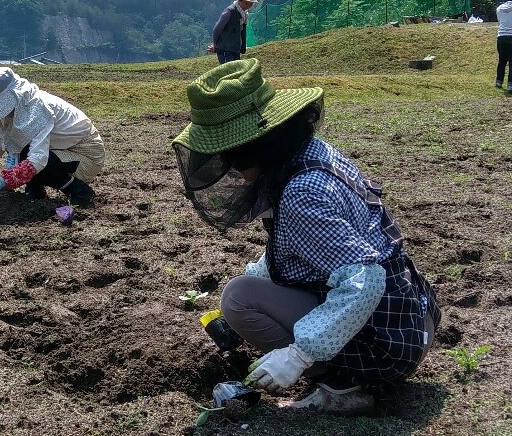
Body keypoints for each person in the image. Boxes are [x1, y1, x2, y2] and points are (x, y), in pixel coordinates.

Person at [172, 59, 440, 415]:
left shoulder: (303, 193)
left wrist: (299, 355)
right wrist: (260, 276)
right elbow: (303, 249)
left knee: (239, 299)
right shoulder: (311, 155)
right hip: (412, 318)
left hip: (386, 344)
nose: (228, 167)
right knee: (246, 289)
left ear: (253, 147)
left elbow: (366, 278)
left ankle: (343, 387)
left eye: (228, 157)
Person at [0, 67, 105, 206]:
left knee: (38, 160)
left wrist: (2, 181)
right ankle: (35, 190)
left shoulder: (38, 109)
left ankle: (79, 192)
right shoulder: (8, 113)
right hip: (60, 148)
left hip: (85, 154)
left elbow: (38, 158)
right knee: (24, 150)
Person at [207, 0, 258, 64]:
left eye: (251, 4)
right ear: (240, 0)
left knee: (235, 72)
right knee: (228, 72)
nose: (248, 6)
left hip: (235, 50)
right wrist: (214, 44)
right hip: (225, 50)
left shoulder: (244, 14)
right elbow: (217, 28)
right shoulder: (229, 12)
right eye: (246, 3)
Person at [495, 0, 512, 94]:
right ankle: (510, 85)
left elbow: (500, 21)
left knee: (502, 61)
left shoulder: (499, 8)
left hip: (501, 37)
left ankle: (498, 82)